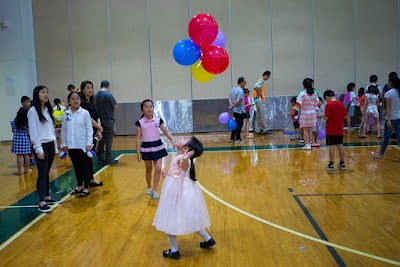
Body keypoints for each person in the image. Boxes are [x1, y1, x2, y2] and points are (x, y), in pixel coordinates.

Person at [152, 136, 215, 260]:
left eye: (185, 138)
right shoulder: (180, 157)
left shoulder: (183, 158)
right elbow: (179, 173)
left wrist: (185, 159)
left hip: (176, 194)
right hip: (181, 192)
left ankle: (174, 251)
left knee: (169, 221)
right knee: (191, 218)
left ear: (186, 148)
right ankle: (208, 239)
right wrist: (167, 174)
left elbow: (183, 166)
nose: (181, 137)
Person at [28, 85, 60, 213]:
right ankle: (41, 201)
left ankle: (47, 196)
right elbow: (34, 132)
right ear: (37, 95)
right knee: (42, 173)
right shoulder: (32, 111)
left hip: (50, 144)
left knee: (46, 171)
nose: (46, 95)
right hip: (41, 145)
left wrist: (56, 147)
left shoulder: (47, 110)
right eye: (43, 92)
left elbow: (51, 130)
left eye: (47, 92)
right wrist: (38, 149)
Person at [135, 99, 174, 199]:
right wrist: (138, 152)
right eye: (146, 107)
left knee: (158, 169)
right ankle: (149, 187)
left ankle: (155, 189)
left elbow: (165, 131)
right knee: (148, 169)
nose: (149, 108)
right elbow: (138, 138)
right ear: (142, 109)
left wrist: (172, 140)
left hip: (158, 147)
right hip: (146, 148)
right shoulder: (139, 123)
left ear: (153, 108)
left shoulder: (158, 120)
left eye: (151, 107)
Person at [61, 92, 93, 197]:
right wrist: (64, 144)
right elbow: (63, 130)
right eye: (73, 99)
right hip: (71, 146)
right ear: (69, 101)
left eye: (77, 99)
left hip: (82, 145)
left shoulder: (85, 113)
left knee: (84, 166)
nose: (76, 101)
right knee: (76, 167)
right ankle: (79, 186)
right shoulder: (65, 114)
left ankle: (86, 187)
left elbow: (89, 129)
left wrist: (89, 143)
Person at [79, 80, 104, 187]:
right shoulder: (82, 103)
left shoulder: (92, 102)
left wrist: (98, 130)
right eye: (87, 88)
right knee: (85, 158)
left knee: (89, 157)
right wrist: (99, 127)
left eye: (91, 87)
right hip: (85, 134)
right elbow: (88, 118)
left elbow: (97, 116)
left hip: (92, 133)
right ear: (83, 90)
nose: (90, 89)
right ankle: (85, 181)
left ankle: (91, 179)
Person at [371, 76, 400, 159]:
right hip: (398, 117)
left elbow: (388, 107)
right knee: (399, 136)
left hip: (392, 117)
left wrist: (388, 120)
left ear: (390, 82)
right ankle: (381, 153)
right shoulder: (398, 92)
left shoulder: (389, 93)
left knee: (386, 137)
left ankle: (381, 153)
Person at [95, 80, 118, 165]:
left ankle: (100, 158)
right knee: (109, 140)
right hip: (108, 120)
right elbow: (115, 106)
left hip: (99, 121)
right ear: (108, 86)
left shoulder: (95, 96)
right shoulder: (108, 95)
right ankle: (108, 158)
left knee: (101, 139)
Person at [323, 90, 348, 171]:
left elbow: (326, 117)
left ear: (327, 97)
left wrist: (323, 116)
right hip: (340, 129)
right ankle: (342, 163)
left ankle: (331, 164)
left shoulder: (328, 105)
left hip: (331, 130)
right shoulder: (341, 104)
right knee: (340, 145)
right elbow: (345, 116)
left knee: (331, 146)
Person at [296, 79, 319, 150]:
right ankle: (310, 144)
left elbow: (298, 102)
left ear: (304, 85)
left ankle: (307, 145)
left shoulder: (302, 94)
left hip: (305, 113)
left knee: (305, 130)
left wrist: (302, 108)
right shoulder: (314, 94)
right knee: (310, 130)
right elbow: (317, 102)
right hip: (312, 113)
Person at [11, 107, 32, 175]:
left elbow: (13, 131)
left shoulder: (13, 121)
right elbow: (29, 132)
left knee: (19, 155)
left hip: (17, 140)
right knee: (26, 155)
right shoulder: (27, 122)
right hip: (25, 140)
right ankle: (27, 169)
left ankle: (19, 170)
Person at [229, 77, 246, 143]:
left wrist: (231, 105)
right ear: (241, 82)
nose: (245, 84)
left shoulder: (233, 89)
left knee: (234, 124)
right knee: (239, 124)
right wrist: (234, 105)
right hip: (239, 111)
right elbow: (238, 101)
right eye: (244, 82)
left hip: (234, 110)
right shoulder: (241, 91)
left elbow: (229, 98)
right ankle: (238, 139)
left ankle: (232, 137)